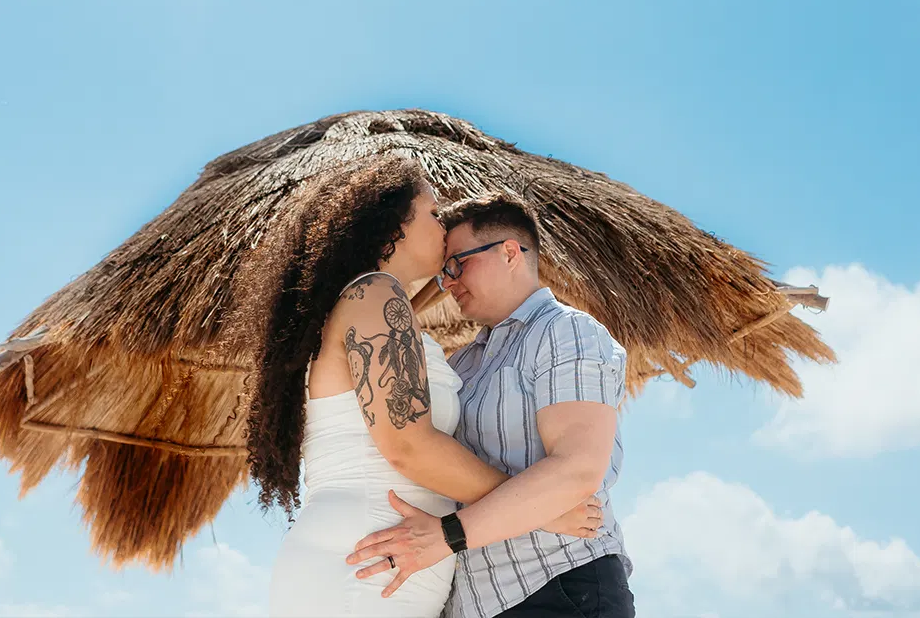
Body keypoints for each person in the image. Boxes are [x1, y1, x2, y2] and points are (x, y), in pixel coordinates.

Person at [251, 157, 605, 617]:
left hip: (384, 559)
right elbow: (408, 445)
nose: (443, 227)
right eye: (433, 214)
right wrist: (541, 510)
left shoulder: (379, 304)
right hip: (363, 562)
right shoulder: (375, 293)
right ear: (392, 221)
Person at [344, 192, 634, 618]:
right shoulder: (461, 363)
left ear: (510, 253)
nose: (449, 282)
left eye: (458, 263)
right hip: (476, 604)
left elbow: (576, 471)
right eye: (444, 272)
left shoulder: (567, 332)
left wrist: (447, 537)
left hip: (561, 586)